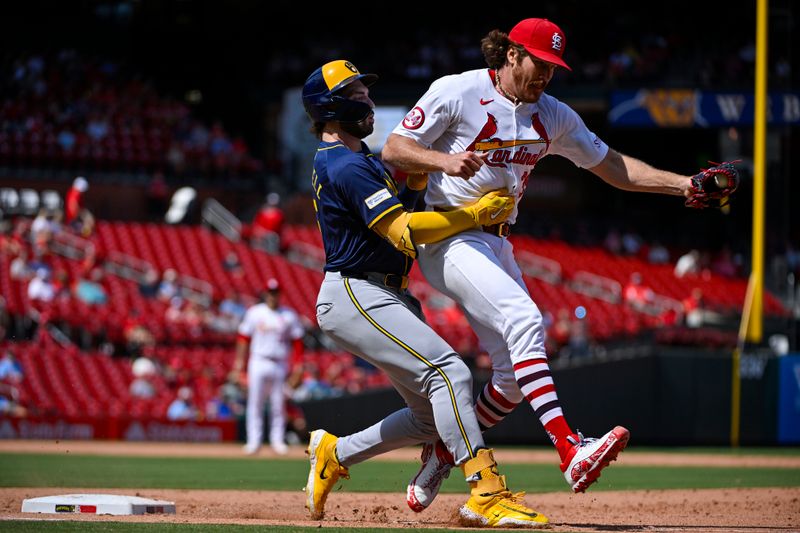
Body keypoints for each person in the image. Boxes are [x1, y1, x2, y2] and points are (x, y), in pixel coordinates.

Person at [381, 16, 706, 509]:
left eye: (554, 67)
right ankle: (570, 449)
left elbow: (612, 166)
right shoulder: (458, 91)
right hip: (448, 236)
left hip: (498, 243)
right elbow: (394, 147)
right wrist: (444, 161)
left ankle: (444, 453)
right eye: (540, 63)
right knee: (525, 318)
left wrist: (683, 184)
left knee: (512, 379)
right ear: (512, 54)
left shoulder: (552, 114)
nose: (546, 76)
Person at [301, 59, 546, 528]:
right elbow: (404, 232)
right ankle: (486, 490)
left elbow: (399, 215)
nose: (367, 100)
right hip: (355, 291)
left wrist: (414, 184)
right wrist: (473, 215)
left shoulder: (359, 161)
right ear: (329, 108)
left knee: (432, 417)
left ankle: (336, 453)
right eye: (355, 94)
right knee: (451, 373)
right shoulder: (345, 164)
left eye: (365, 92)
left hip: (382, 292)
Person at [233, 278, 305, 456]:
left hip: (279, 362)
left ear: (279, 294)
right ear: (265, 293)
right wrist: (239, 363)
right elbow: (243, 338)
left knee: (278, 404)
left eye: (275, 292)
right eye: (270, 292)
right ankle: (254, 441)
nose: (273, 296)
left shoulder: (288, 315)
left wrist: (298, 365)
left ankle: (277, 441)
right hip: (258, 360)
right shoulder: (255, 313)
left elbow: (297, 342)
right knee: (255, 402)